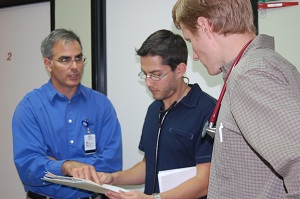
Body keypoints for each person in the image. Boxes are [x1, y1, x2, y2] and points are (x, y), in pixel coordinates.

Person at [172, 0, 300, 198]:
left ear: (205, 26)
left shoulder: (250, 75)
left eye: (190, 41)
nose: (195, 56)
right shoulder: (267, 64)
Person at [97, 29, 216, 199]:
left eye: (156, 75)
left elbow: (204, 182)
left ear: (180, 69)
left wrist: (155, 198)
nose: (148, 82)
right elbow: (149, 165)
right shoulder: (154, 110)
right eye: (145, 74)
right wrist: (114, 178)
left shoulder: (208, 110)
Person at [12, 28, 123, 199]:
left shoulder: (102, 105)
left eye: (78, 58)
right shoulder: (30, 108)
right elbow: (28, 168)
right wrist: (65, 166)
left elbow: (111, 164)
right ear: (48, 64)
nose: (75, 66)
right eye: (65, 59)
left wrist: (54, 163)